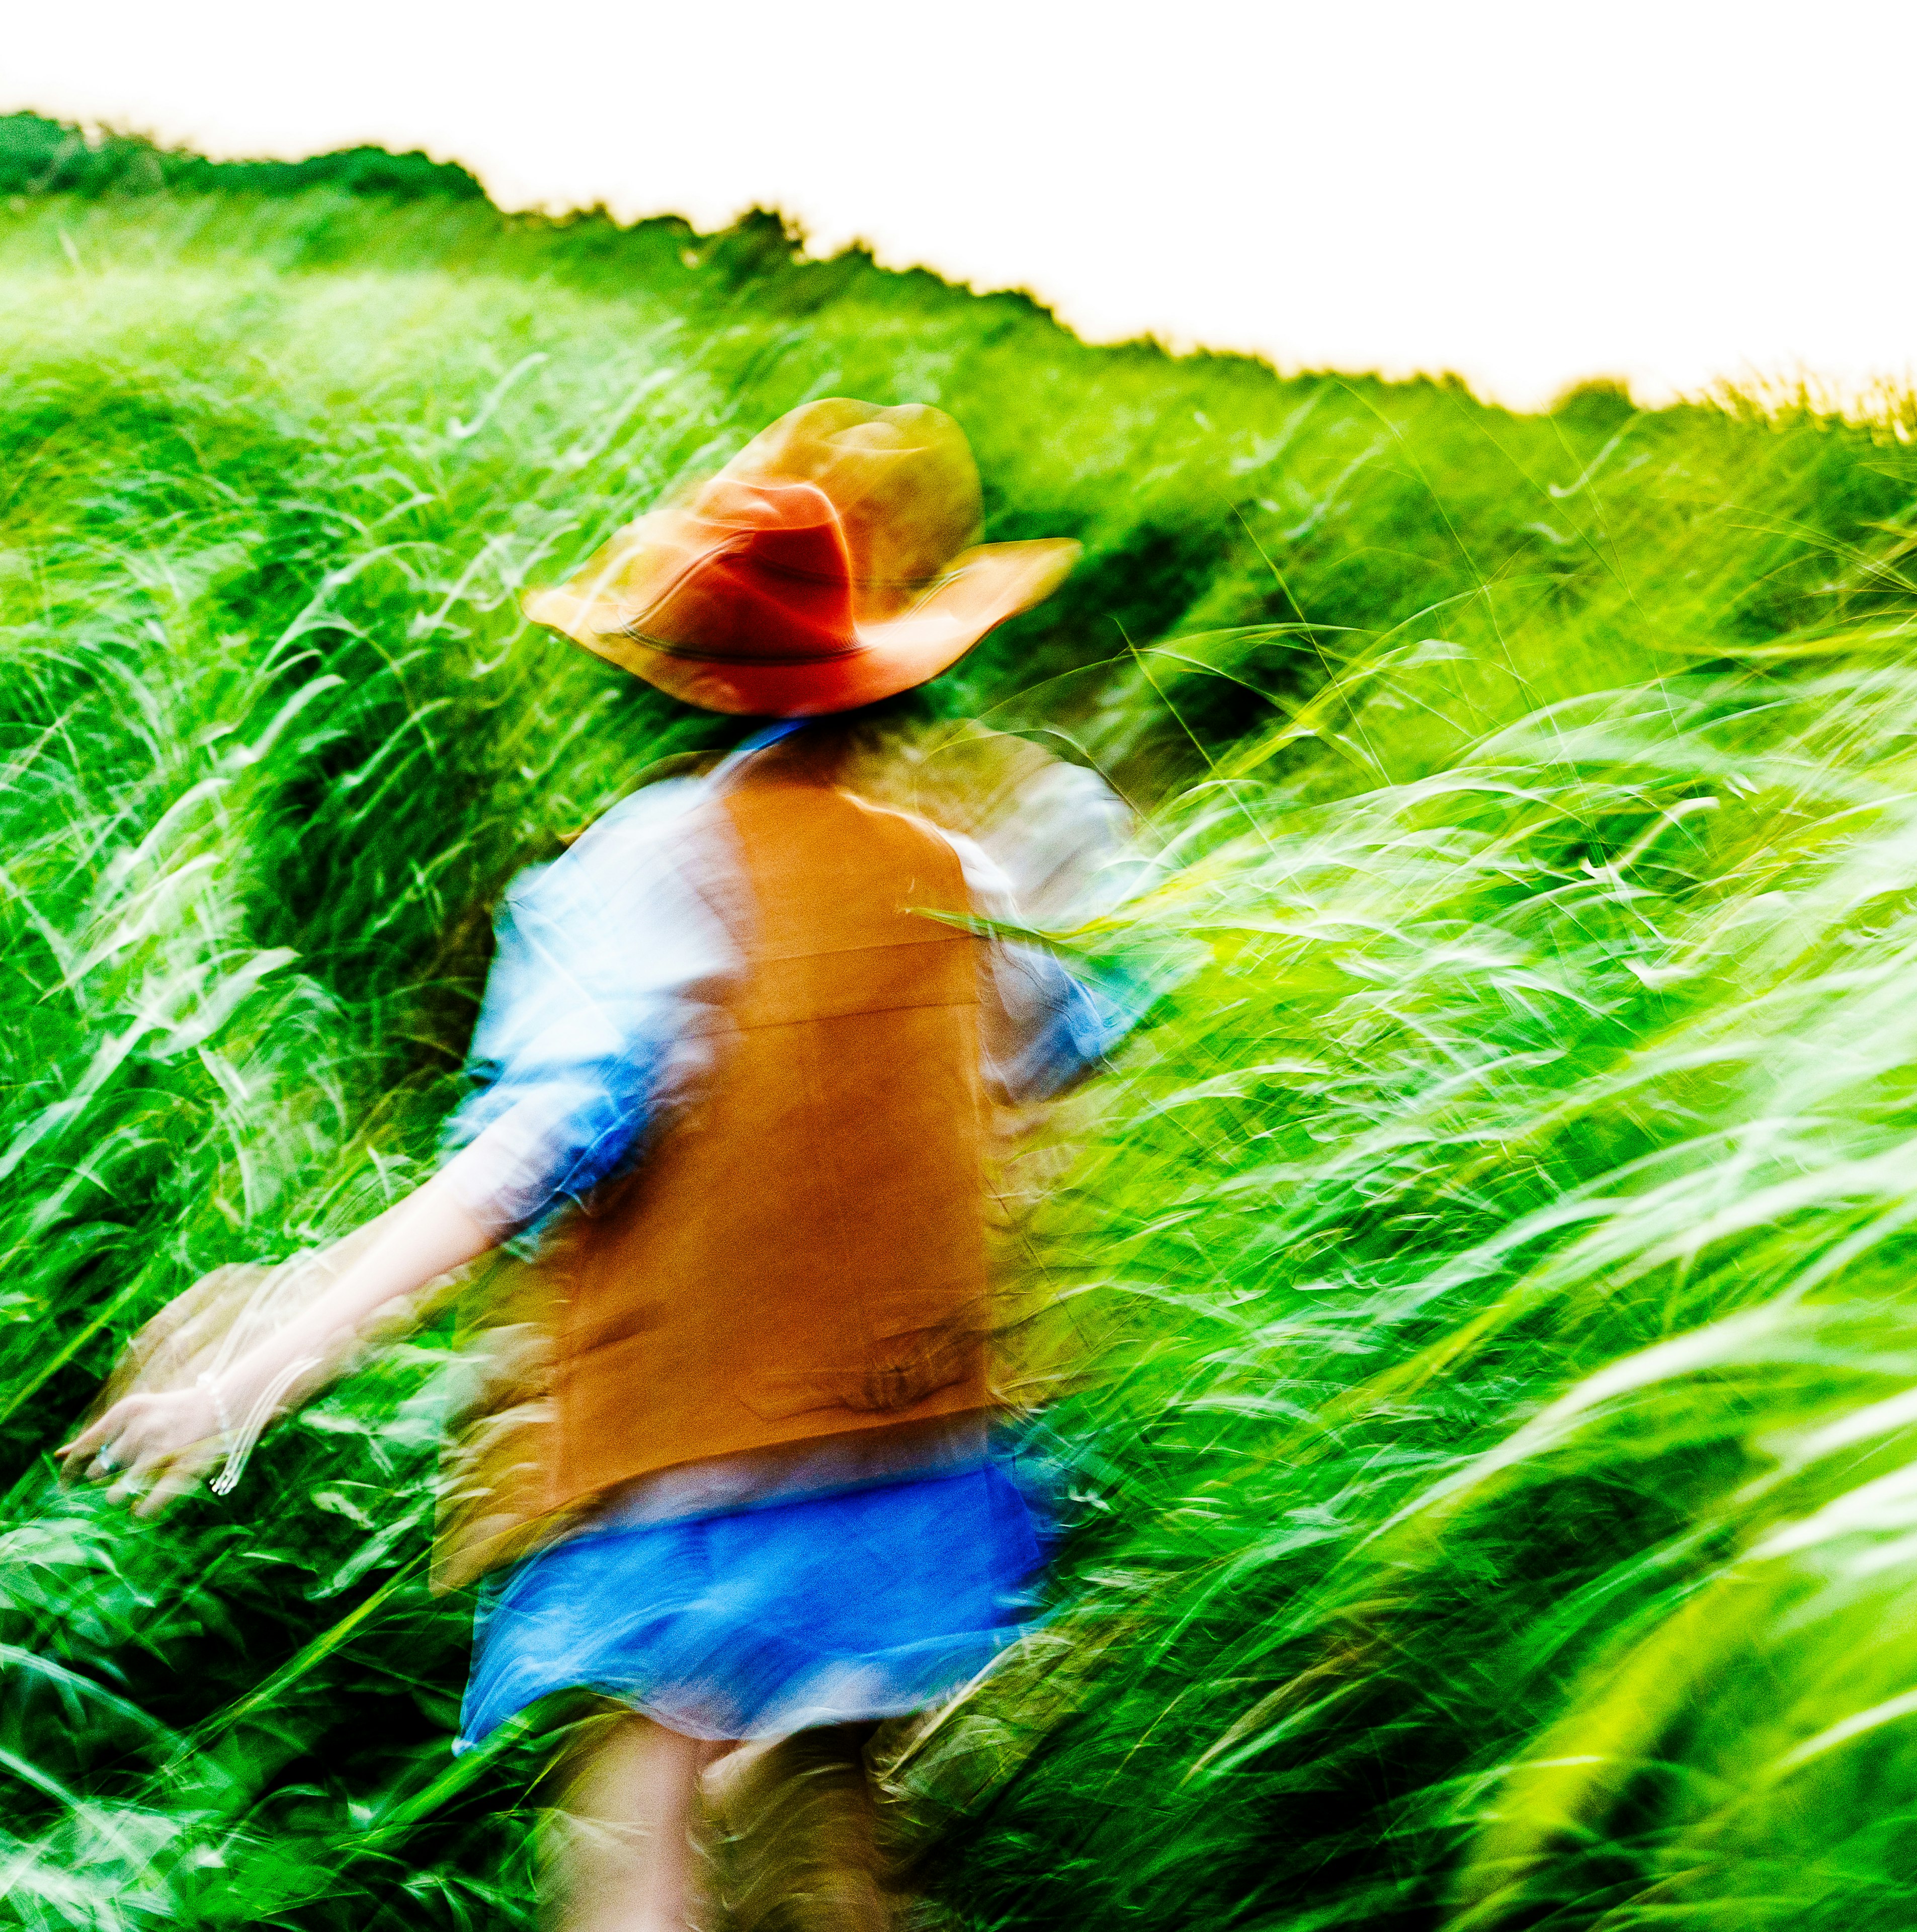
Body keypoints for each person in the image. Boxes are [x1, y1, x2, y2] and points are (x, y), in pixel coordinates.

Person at [60, 399, 1139, 1932]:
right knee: (832, 1834)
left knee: (628, 1853)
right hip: (918, 1464)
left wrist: (267, 1361)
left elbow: (515, 1165)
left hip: (687, 1479)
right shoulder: (956, 880)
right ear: (880, 679)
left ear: (694, 686)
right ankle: (792, 1798)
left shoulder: (648, 872)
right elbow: (1049, 1081)